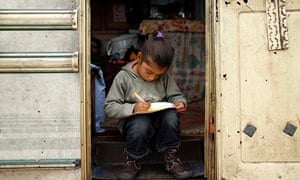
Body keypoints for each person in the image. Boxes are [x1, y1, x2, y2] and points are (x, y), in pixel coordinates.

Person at [105, 31, 193, 180]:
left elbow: (175, 95)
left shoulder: (165, 78)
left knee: (171, 116)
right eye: (149, 72)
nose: (152, 78)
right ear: (139, 58)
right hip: (135, 123)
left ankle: (170, 158)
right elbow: (110, 107)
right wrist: (133, 108)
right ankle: (132, 160)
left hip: (159, 121)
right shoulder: (124, 77)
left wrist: (180, 102)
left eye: (158, 75)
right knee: (141, 123)